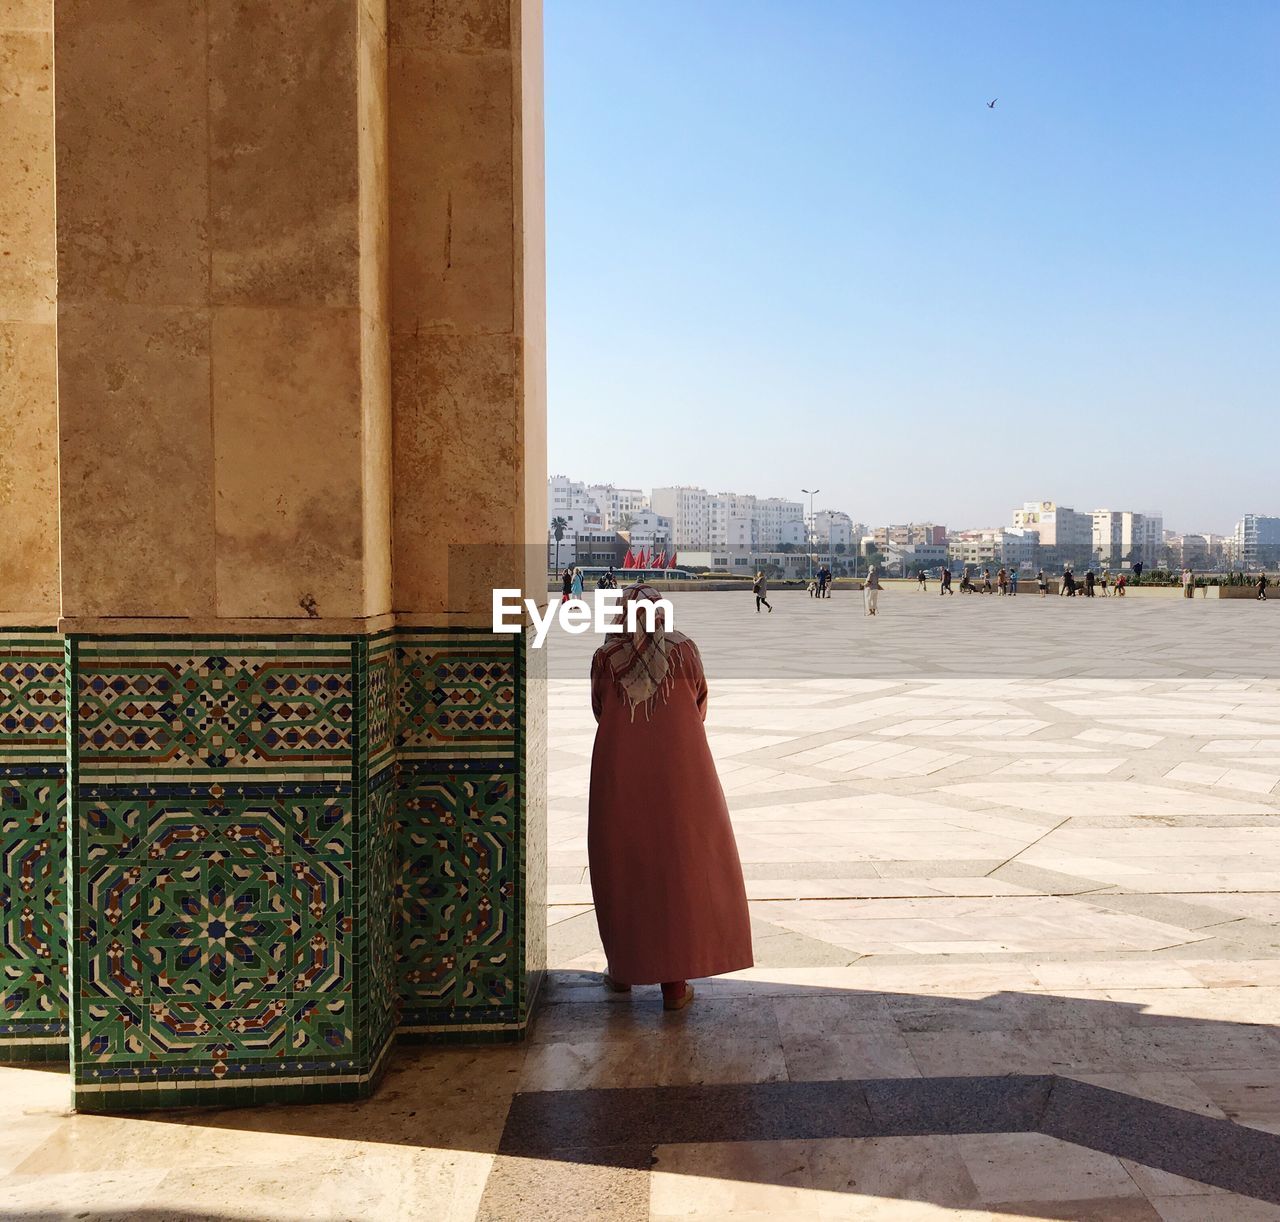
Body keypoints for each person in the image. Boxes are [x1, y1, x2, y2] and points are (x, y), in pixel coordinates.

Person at [588, 584, 753, 1011]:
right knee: (675, 871)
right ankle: (674, 989)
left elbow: (599, 709)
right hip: (683, 776)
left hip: (620, 775)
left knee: (623, 869)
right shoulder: (685, 651)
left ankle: (622, 971)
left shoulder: (606, 659)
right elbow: (699, 702)